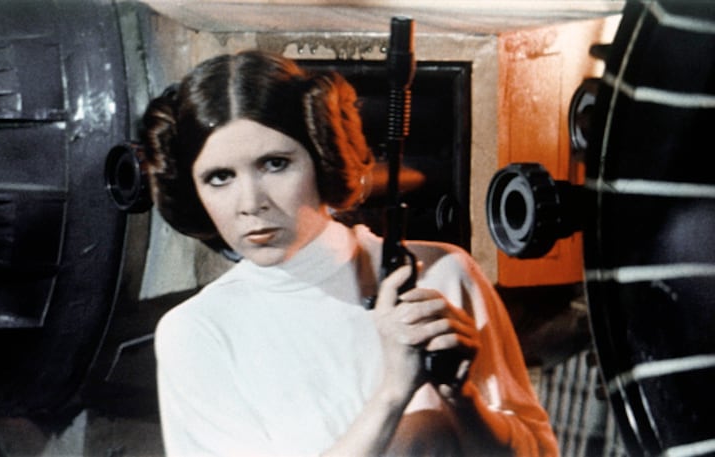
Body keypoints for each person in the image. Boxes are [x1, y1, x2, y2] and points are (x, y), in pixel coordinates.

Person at [143, 49, 558, 456]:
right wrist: (393, 392)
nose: (250, 203)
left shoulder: (442, 273)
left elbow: (540, 453)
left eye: (275, 164)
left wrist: (463, 399)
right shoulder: (198, 331)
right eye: (219, 177)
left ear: (322, 158)